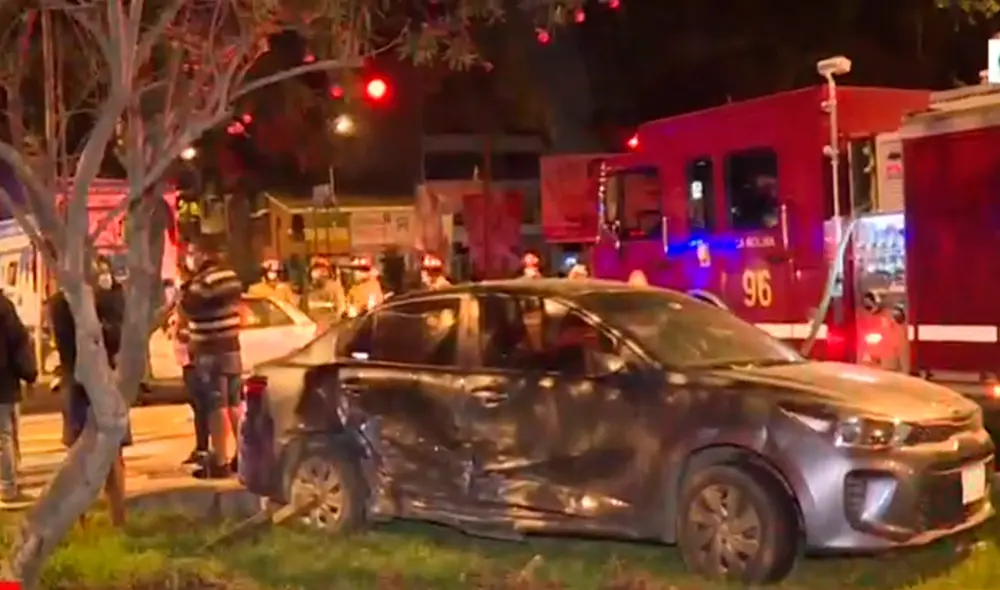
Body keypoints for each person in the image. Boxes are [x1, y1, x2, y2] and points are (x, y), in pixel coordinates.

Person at [49, 256, 129, 525]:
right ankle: (114, 519)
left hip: (81, 383)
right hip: (97, 382)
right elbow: (115, 339)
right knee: (105, 455)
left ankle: (89, 520)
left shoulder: (60, 302)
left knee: (82, 456)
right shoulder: (86, 303)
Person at [180, 241, 244, 479]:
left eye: (191, 253)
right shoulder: (231, 277)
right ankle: (242, 455)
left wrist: (186, 284)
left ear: (202, 254)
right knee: (235, 403)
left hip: (210, 350)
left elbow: (186, 307)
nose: (189, 258)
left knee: (216, 406)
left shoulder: (201, 283)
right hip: (231, 347)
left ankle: (220, 460)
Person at [0, 289, 37, 505]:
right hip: (4, 381)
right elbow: (18, 341)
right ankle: (8, 486)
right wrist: (29, 373)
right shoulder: (4, 307)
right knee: (5, 435)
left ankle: (9, 481)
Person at [303, 256, 346, 323]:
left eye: (320, 269)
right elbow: (303, 309)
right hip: (312, 325)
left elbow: (341, 307)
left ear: (326, 272)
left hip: (330, 324)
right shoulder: (309, 289)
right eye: (315, 269)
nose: (316, 272)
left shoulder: (334, 287)